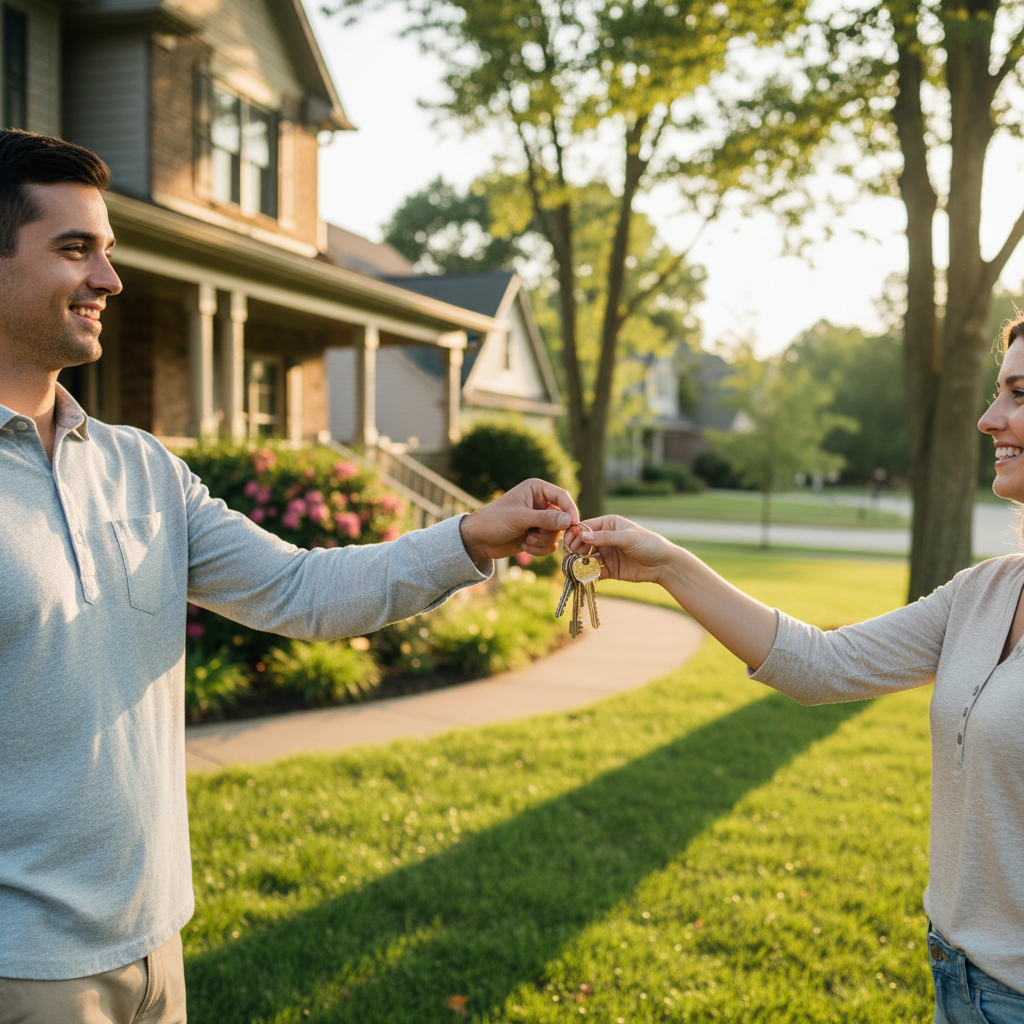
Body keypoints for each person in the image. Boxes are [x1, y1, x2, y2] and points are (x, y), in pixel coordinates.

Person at [0, 129, 579, 1024]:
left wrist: (474, 536)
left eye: (108, 251)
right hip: (22, 969)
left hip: (157, 946)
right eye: (75, 249)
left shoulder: (143, 468)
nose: (110, 280)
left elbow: (299, 591)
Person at [567, 321, 1024, 1024]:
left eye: (1019, 396)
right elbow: (822, 665)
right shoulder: (982, 593)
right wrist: (668, 565)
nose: (988, 419)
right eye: (998, 392)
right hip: (956, 979)